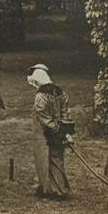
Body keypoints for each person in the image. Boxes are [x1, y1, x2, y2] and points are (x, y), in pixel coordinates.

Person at [28, 64, 72, 199]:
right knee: (57, 159)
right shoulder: (60, 92)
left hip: (44, 132)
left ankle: (52, 190)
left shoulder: (41, 96)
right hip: (59, 129)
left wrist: (56, 130)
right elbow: (66, 113)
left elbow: (43, 116)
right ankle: (54, 187)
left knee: (43, 159)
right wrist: (65, 131)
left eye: (34, 82)